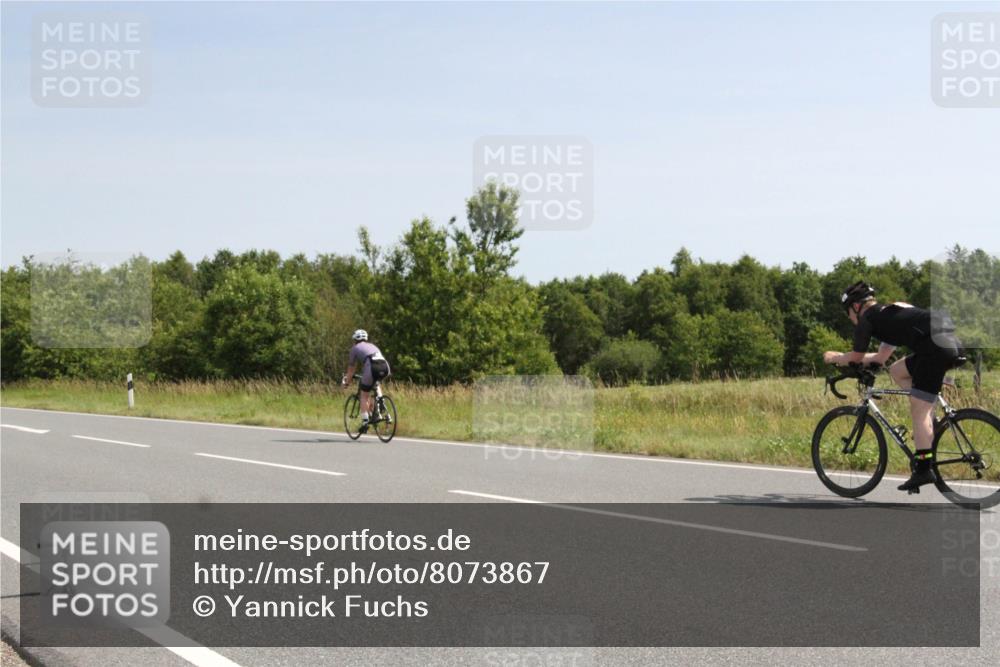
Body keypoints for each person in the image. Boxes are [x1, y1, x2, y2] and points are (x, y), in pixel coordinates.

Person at [823, 281, 962, 492]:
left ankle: (924, 468)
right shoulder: (890, 313)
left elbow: (857, 356)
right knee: (897, 371)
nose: (850, 319)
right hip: (950, 343)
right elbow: (880, 358)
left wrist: (836, 357)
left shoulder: (868, 318)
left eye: (848, 313)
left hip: (933, 349)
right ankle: (928, 426)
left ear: (855, 307)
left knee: (919, 409)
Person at [341, 329, 391, 432]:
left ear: (355, 339)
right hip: (385, 367)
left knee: (364, 395)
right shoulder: (372, 346)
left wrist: (347, 382)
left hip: (372, 368)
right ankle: (382, 406)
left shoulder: (355, 348)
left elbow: (351, 369)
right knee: (376, 384)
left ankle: (365, 421)